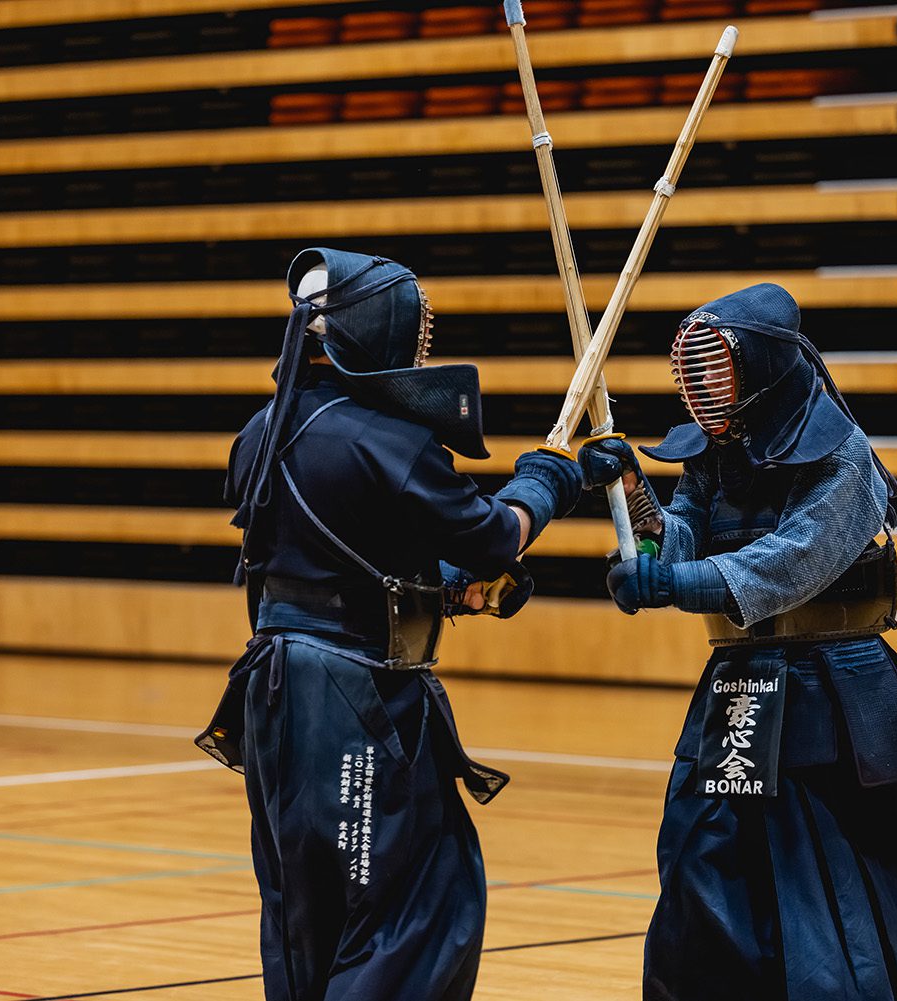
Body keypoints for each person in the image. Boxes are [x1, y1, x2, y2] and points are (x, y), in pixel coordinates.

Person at [197, 248, 581, 1001]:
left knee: (307, 906)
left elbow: (336, 561)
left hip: (272, 694)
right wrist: (552, 477)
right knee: (410, 902)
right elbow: (496, 535)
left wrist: (446, 592)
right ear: (379, 329)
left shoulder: (259, 432)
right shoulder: (390, 441)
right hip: (354, 699)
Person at [578, 283, 897, 1000]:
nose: (703, 389)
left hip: (834, 695)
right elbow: (682, 538)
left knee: (835, 905)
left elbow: (788, 563)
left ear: (762, 369)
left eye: (717, 370)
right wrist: (631, 493)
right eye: (695, 373)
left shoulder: (845, 459)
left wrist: (673, 585)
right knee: (703, 867)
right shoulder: (719, 449)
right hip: (743, 689)